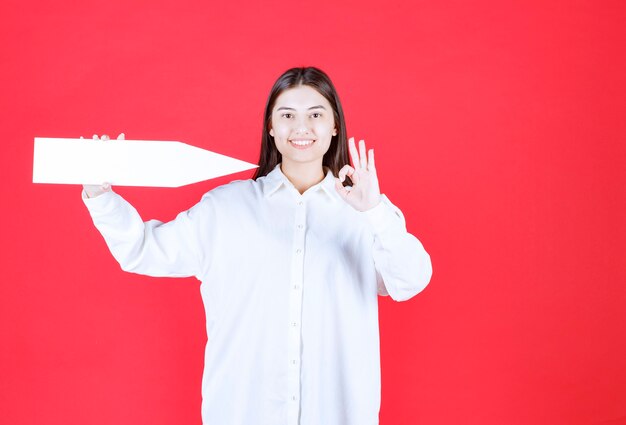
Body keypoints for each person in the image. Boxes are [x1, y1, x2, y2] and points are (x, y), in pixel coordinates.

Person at [82, 66, 432, 425]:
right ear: (270, 127)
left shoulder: (367, 212)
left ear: (335, 126)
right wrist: (99, 193)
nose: (301, 127)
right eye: (287, 115)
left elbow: (411, 281)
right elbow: (142, 249)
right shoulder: (226, 208)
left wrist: (375, 211)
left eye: (315, 114)